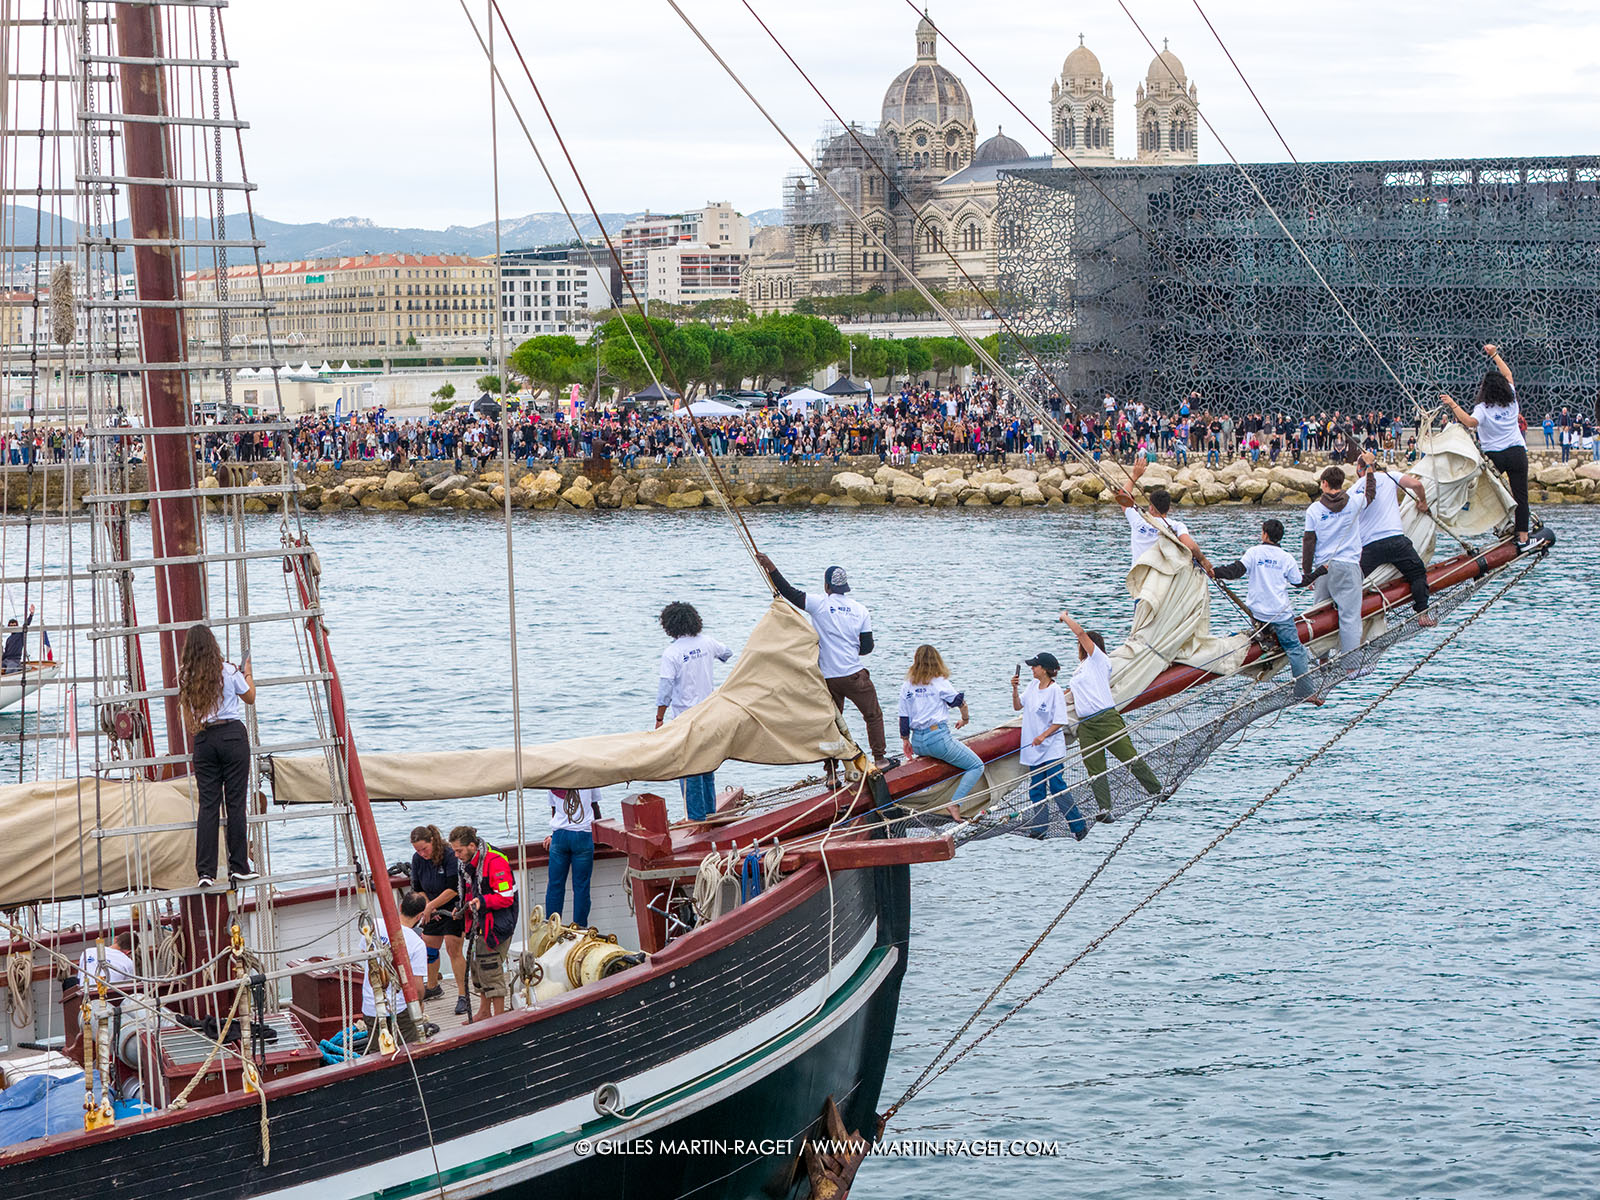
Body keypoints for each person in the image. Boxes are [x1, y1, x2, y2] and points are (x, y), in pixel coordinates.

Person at [756, 554, 891, 770]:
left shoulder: (820, 604)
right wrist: (850, 648)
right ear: (845, 586)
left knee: (830, 724)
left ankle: (831, 773)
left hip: (828, 678)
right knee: (873, 715)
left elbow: (788, 592)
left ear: (827, 586)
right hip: (854, 675)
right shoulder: (861, 610)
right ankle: (880, 759)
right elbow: (867, 648)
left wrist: (770, 567)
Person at [1057, 608, 1163, 820]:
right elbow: (1072, 694)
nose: (1079, 646)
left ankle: (1157, 789)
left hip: (1105, 718)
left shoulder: (1099, 660)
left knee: (1128, 756)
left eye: (1081, 644)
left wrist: (1066, 618)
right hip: (1086, 724)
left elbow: (1080, 633)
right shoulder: (1080, 670)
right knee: (1094, 767)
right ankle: (1104, 808)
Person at [178, 623, 257, 889]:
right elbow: (250, 697)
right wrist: (247, 673)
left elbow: (187, 715)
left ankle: (205, 871)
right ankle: (239, 867)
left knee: (208, 806)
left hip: (204, 739)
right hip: (232, 736)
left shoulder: (186, 677)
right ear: (213, 646)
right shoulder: (228, 670)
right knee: (235, 803)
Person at [1212, 519, 1324, 705]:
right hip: (1280, 615)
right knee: (1296, 650)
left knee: (1266, 636)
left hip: (1258, 614)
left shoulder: (1254, 553)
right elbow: (1300, 582)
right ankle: (1305, 692)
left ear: (1264, 534)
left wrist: (1214, 571)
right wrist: (1320, 571)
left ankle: (1265, 644)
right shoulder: (1286, 558)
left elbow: (1236, 571)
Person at [1440, 343, 1529, 547]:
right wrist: (1494, 354)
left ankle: (1501, 525)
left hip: (1495, 456)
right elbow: (1508, 374)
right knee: (1521, 496)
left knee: (1486, 493)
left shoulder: (1483, 408)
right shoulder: (1512, 400)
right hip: (1517, 453)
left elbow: (1470, 422)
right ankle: (1523, 535)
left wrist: (1453, 404)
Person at [655, 602, 733, 821]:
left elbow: (665, 690)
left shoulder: (672, 652)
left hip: (685, 719)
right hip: (709, 714)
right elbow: (727, 653)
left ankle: (696, 819)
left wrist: (659, 718)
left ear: (669, 626)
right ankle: (710, 815)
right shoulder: (707, 642)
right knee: (707, 765)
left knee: (689, 769)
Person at [897, 645, 983, 818]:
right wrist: (965, 719)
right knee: (976, 766)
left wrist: (905, 740)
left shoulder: (907, 685)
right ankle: (955, 803)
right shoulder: (939, 682)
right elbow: (960, 703)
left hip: (918, 742)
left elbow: (903, 717)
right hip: (937, 739)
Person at [1301, 459, 1373, 665]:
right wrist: (1369, 467)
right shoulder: (1354, 502)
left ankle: (1322, 662)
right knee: (1349, 617)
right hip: (1348, 565)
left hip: (1323, 568)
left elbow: (1309, 542)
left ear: (1324, 483)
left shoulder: (1314, 510)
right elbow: (1370, 492)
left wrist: (1308, 574)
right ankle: (1350, 665)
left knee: (1319, 615)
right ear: (1341, 483)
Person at [1010, 652, 1089, 840]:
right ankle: (1040, 828)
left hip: (1051, 747)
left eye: (1035, 666)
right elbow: (1017, 706)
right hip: (1033, 748)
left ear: (1044, 669)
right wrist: (1014, 689)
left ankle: (1078, 825)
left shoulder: (1055, 691)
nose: (1032, 669)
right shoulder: (1032, 686)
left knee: (1056, 786)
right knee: (1036, 788)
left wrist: (1043, 736)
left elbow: (1060, 720)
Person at [1355, 457, 1437, 628]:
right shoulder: (1390, 476)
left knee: (1354, 582)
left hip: (1370, 546)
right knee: (1417, 572)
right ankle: (1422, 614)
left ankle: (1347, 617)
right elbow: (1417, 485)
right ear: (1375, 466)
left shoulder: (1354, 489)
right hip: (1396, 541)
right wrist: (1423, 502)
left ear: (1359, 469)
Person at [450, 825, 518, 1020]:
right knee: (478, 967)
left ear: (472, 846)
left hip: (497, 924)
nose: (456, 855)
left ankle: (499, 1018)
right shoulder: (467, 864)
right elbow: (469, 891)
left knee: (490, 968)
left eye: (459, 851)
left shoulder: (495, 862)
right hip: (479, 924)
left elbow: (506, 897)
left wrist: (483, 901)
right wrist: (460, 907)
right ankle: (484, 1011)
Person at [1114, 462, 1212, 578]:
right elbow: (1190, 546)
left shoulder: (1138, 521)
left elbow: (1123, 497)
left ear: (1151, 507)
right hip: (1162, 583)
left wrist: (1135, 476)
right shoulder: (1176, 526)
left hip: (1139, 580)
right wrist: (1203, 560)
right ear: (1169, 509)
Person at [409, 824, 468, 1016]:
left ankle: (463, 994)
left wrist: (431, 906)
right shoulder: (417, 859)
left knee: (453, 948)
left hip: (452, 908)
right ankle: (432, 986)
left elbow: (454, 888)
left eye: (424, 849)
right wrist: (428, 905)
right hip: (432, 907)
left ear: (432, 841)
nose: (422, 853)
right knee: (428, 948)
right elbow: (418, 887)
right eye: (418, 850)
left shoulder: (449, 855)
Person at [360, 890, 429, 1050]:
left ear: (400, 907)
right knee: (409, 1051)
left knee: (377, 1053)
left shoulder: (373, 926)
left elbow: (366, 956)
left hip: (371, 1006)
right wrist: (419, 1005)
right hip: (400, 1010)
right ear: (420, 916)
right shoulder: (417, 944)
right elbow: (418, 987)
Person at [544, 787, 601, 928]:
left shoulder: (553, 782)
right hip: (583, 834)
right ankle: (579, 928)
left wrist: (553, 834)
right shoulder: (590, 779)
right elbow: (595, 807)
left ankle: (552, 927)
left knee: (555, 885)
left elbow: (554, 810)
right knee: (581, 886)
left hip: (559, 836)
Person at [2, 604, 34, 674]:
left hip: (14, 660)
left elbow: (26, 625)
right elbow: (6, 651)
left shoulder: (20, 634)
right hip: (6, 659)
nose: (12, 628)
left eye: (14, 626)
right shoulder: (8, 639)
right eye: (11, 626)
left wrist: (31, 615)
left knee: (10, 671)